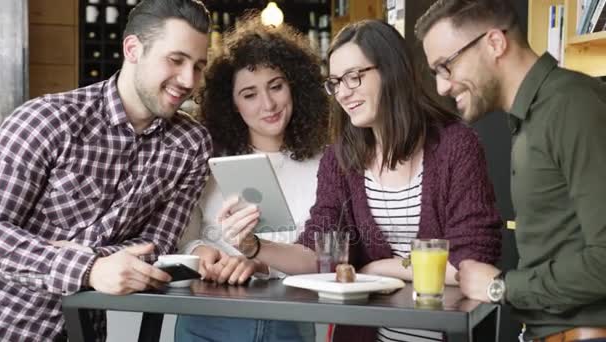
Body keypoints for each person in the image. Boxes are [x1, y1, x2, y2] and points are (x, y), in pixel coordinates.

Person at [219, 19, 502, 342]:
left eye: (354, 77)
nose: (343, 92)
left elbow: (472, 262)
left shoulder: (455, 146)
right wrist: (256, 246)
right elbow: (319, 255)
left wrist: (376, 269)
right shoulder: (341, 160)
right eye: (336, 82)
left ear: (391, 70)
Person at [0, 0, 213, 341]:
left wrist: (72, 252)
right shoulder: (46, 121)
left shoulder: (191, 144)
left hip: (87, 333)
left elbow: (155, 246)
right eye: (176, 60)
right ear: (132, 49)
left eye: (199, 66)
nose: (189, 80)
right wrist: (90, 268)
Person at [415, 0, 606, 341]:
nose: (442, 86)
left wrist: (503, 286)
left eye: (446, 66)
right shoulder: (533, 116)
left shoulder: (571, 106)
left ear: (495, 43)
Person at [174, 15, 329, 342]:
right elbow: (183, 236)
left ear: (296, 86)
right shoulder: (207, 160)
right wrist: (205, 255)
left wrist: (260, 263)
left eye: (276, 86)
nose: (268, 104)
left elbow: (323, 254)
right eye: (249, 94)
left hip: (290, 323)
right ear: (231, 104)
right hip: (206, 318)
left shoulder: (326, 165)